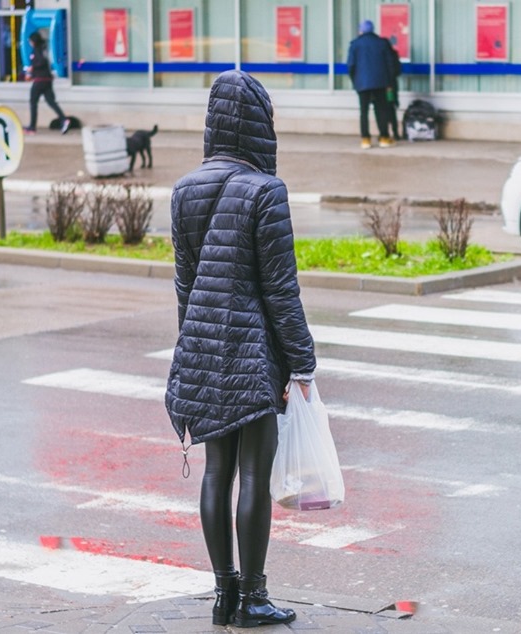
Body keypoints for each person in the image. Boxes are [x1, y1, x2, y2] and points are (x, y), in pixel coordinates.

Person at [166, 69, 316, 628]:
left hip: (202, 347)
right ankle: (253, 598)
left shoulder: (184, 190)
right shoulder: (266, 192)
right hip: (253, 354)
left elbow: (185, 286)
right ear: (258, 125)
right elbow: (280, 289)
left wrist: (191, 350)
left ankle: (224, 595)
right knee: (253, 475)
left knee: (216, 472)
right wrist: (301, 360)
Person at [347, 20, 396, 149]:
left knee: (364, 112)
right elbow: (390, 64)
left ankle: (365, 139)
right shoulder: (382, 43)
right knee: (381, 110)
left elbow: (351, 65)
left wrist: (355, 81)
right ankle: (384, 138)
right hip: (381, 83)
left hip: (362, 84)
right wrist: (389, 82)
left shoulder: (355, 44)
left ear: (361, 30)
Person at [25, 31, 70, 135]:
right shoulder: (44, 49)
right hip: (47, 80)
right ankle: (64, 119)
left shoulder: (36, 50)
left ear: (33, 41)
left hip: (39, 80)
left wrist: (32, 68)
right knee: (51, 101)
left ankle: (32, 127)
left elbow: (41, 62)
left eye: (30, 41)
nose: (30, 43)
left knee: (33, 102)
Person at [383, 36, 403, 141]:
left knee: (383, 110)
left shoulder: (380, 56)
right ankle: (395, 132)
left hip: (383, 87)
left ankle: (385, 132)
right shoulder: (393, 54)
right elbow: (398, 70)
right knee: (391, 110)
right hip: (391, 87)